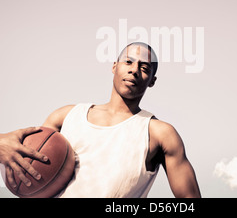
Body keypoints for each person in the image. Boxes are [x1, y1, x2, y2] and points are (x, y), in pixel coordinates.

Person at [0, 42, 201, 198]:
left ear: (152, 81)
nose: (134, 70)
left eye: (145, 67)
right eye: (128, 62)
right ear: (114, 67)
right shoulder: (65, 116)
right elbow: (33, 164)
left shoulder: (160, 133)